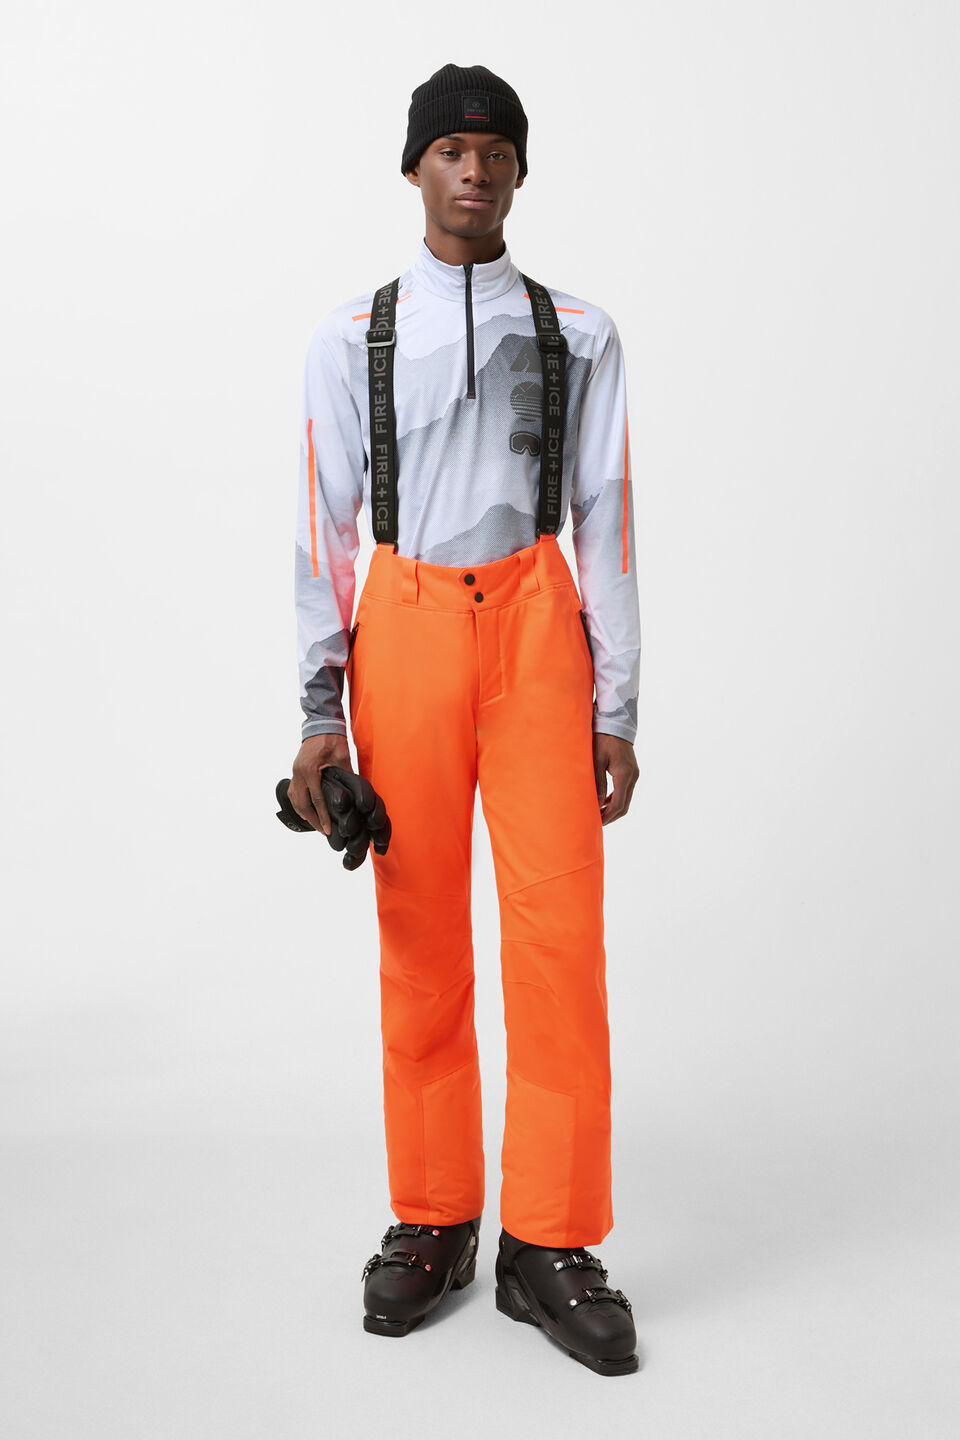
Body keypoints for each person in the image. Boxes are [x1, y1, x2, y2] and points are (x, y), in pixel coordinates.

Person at [287, 63, 642, 1377]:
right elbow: (323, 529)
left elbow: (605, 517)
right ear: (415, 169)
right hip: (407, 627)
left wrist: (617, 706)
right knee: (420, 934)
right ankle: (434, 1215)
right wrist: (318, 713)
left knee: (560, 942)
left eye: (495, 150)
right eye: (451, 149)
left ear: (521, 171)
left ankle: (549, 1241)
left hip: (540, 629)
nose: (474, 171)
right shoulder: (352, 338)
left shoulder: (581, 332)